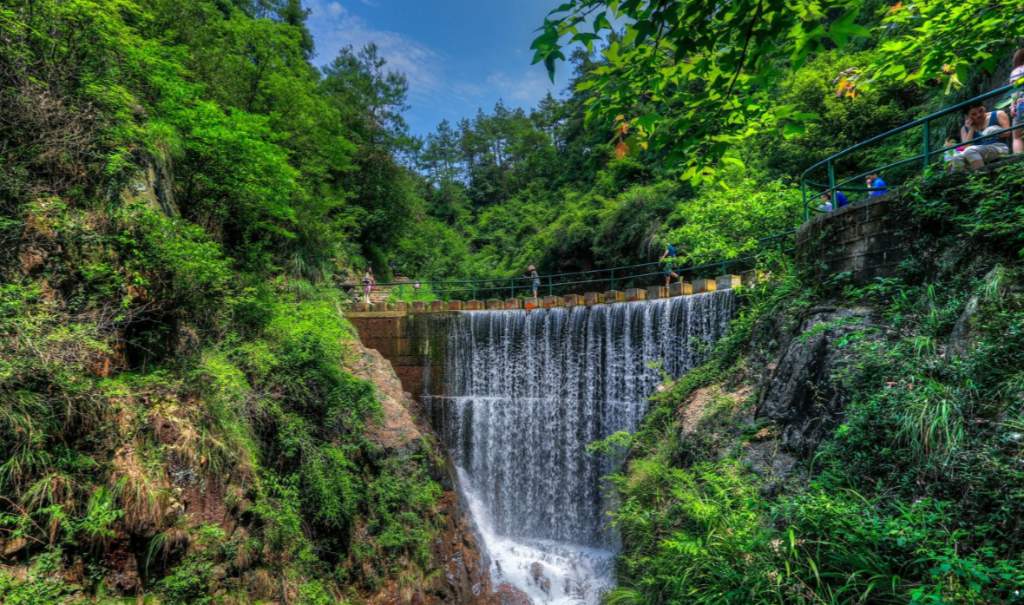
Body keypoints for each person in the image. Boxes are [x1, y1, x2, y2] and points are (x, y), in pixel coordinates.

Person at [956, 102, 1010, 170]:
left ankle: (982, 176)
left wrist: (994, 131)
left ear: (984, 107)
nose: (979, 115)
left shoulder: (998, 114)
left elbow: (1007, 133)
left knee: (970, 151)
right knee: (956, 158)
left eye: (981, 110)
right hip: (975, 152)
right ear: (968, 116)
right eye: (973, 114)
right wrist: (971, 129)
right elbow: (966, 147)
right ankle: (964, 180)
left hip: (999, 147)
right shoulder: (964, 129)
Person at [1009, 48, 1024, 154]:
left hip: (1021, 104)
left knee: (1017, 136)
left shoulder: (1016, 71)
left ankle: (1019, 161)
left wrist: (1013, 105)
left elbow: (1015, 90)